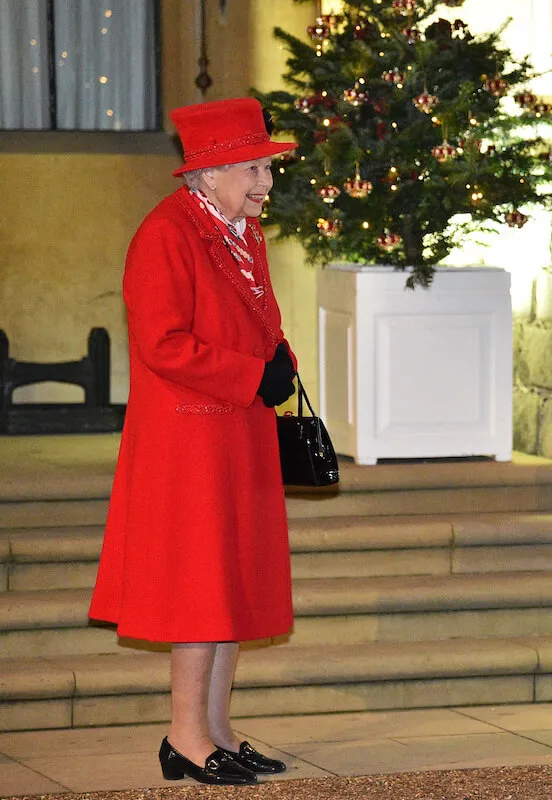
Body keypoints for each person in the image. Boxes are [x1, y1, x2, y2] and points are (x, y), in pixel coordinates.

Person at [89, 98, 299, 786]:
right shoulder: (165, 233)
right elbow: (162, 342)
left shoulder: (243, 231)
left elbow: (254, 315)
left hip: (236, 429)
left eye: (267, 168)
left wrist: (280, 358)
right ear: (208, 174)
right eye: (254, 168)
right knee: (200, 587)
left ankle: (216, 730)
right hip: (189, 438)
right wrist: (251, 373)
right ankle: (185, 734)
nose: (266, 183)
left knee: (232, 580)